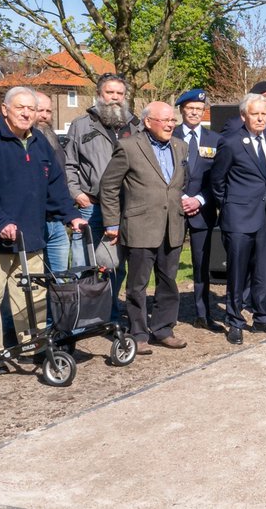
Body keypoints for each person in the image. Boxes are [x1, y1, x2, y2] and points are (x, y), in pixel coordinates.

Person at [0, 87, 85, 358]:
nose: (27, 113)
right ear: (4, 109)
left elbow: (55, 187)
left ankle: (34, 347)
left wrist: (70, 214)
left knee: (31, 298)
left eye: (31, 108)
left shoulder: (39, 141)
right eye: (20, 107)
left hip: (30, 235)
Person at [99, 101, 190, 355]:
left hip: (172, 225)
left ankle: (163, 329)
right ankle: (138, 333)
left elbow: (180, 183)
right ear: (148, 122)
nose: (171, 124)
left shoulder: (181, 147)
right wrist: (112, 222)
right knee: (137, 284)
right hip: (140, 226)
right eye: (166, 120)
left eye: (173, 120)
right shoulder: (129, 146)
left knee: (168, 281)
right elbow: (109, 186)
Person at [211, 93, 266, 345]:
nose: (261, 118)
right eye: (255, 114)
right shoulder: (231, 142)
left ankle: (262, 317)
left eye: (264, 114)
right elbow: (217, 181)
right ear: (244, 116)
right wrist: (229, 206)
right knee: (237, 273)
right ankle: (234, 321)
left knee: (263, 271)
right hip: (238, 218)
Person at [64, 72, 138, 313]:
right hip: (91, 206)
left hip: (125, 206)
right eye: (110, 93)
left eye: (119, 93)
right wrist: (76, 192)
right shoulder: (80, 125)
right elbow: (69, 164)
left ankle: (110, 308)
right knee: (84, 262)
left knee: (116, 263)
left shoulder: (135, 125)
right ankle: (83, 313)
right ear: (98, 95)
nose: (115, 98)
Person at [172, 89, 225, 333]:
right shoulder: (169, 135)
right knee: (168, 264)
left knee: (201, 264)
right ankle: (166, 317)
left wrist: (200, 199)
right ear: (182, 110)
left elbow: (219, 178)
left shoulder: (215, 140)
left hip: (203, 210)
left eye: (199, 109)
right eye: (190, 108)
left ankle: (203, 314)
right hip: (173, 208)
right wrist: (182, 197)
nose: (194, 113)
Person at [33, 91, 69, 273]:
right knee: (34, 281)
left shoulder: (52, 140)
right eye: (40, 110)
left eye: (48, 111)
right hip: (33, 222)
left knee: (60, 278)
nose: (44, 116)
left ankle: (57, 303)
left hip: (57, 221)